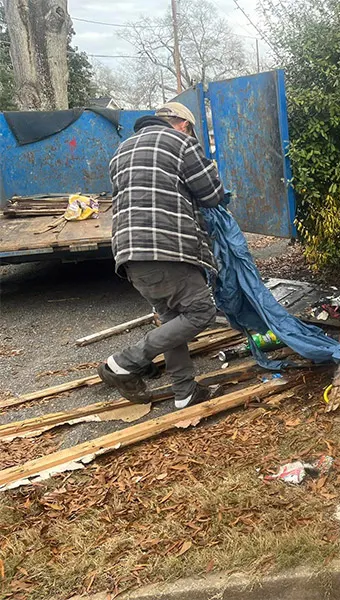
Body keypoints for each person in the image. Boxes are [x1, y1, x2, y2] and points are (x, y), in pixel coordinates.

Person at [98, 102, 225, 409]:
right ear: (182, 124)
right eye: (190, 130)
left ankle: (184, 393)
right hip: (166, 249)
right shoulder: (180, 142)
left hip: (129, 255)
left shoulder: (121, 151)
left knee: (172, 320)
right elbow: (211, 194)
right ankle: (123, 363)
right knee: (200, 313)